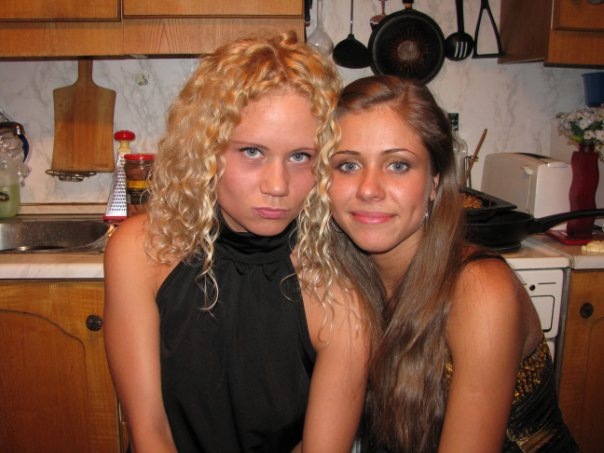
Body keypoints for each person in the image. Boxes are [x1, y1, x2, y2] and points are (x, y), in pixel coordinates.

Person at [103, 32, 375, 453]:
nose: (277, 185)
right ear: (205, 149)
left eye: (301, 156)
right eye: (252, 152)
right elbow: (149, 432)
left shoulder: (339, 296)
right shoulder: (141, 251)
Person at [300, 75, 579, 452]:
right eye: (347, 165)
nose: (368, 189)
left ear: (434, 182)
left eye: (398, 165)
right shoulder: (336, 280)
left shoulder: (479, 289)